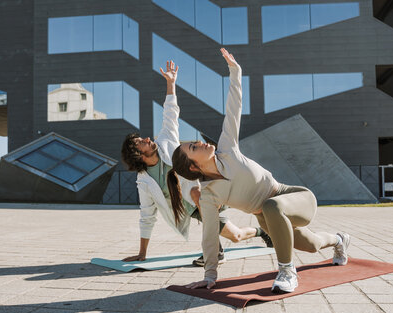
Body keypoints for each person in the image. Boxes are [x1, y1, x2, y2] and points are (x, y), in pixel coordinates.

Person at [167, 48, 351, 292]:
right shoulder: (210, 195)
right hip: (268, 218)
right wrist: (210, 276)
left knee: (271, 206)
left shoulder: (227, 149)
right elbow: (210, 236)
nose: (200, 142)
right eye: (193, 146)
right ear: (193, 165)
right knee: (313, 244)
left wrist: (235, 72)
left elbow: (234, 108)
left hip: (294, 196)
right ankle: (341, 240)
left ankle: (287, 271)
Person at [121, 60, 273, 266]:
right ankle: (261, 231)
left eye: (143, 138)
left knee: (198, 196)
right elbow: (147, 216)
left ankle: (214, 252)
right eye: (141, 143)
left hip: (206, 192)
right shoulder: (144, 181)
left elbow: (170, 113)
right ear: (138, 156)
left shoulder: (165, 140)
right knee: (236, 236)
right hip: (192, 208)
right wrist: (142, 253)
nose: (147, 139)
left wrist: (171, 83)